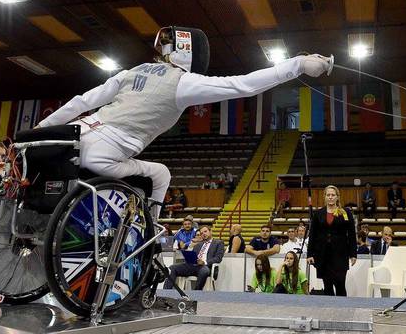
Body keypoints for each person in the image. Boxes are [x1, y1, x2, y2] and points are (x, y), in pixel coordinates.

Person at [37, 25, 333, 218]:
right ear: (190, 51)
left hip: (72, 139)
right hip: (104, 154)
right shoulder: (183, 82)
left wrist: (40, 130)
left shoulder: (132, 71)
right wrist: (298, 65)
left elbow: (81, 102)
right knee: (161, 174)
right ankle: (148, 235)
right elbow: (242, 85)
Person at [307, 185, 357, 296]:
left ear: (337, 197)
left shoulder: (345, 213)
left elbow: (352, 234)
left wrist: (353, 254)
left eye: (333, 195)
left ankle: (343, 311)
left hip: (340, 255)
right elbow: (312, 235)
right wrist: (310, 254)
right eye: (328, 195)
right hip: (323, 255)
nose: (330, 197)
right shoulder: (318, 214)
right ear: (324, 197)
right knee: (327, 286)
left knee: (340, 285)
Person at [164, 225, 224, 290]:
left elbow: (218, 258)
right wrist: (189, 252)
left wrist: (204, 262)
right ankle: (166, 292)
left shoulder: (218, 243)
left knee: (204, 271)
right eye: (201, 233)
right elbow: (192, 254)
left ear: (210, 231)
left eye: (205, 231)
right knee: (172, 268)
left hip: (206, 266)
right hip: (193, 265)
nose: (203, 234)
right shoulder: (198, 244)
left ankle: (196, 293)